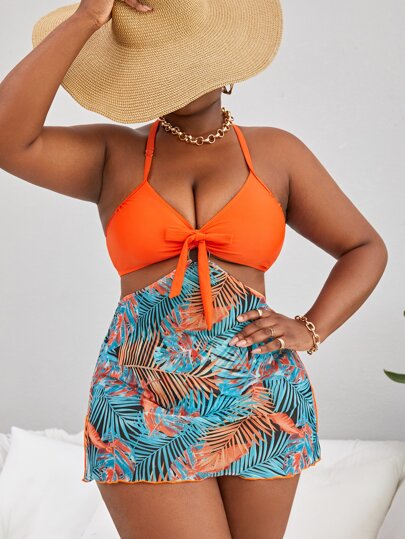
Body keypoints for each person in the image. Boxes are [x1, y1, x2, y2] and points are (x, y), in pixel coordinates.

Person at [0, 0, 388, 538]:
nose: (177, 77)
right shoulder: (113, 154)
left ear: (226, 66)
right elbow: (8, 138)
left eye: (187, 60)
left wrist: (311, 327)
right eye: (160, 64)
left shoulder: (276, 153)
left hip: (261, 392)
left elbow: (364, 246)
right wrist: (88, 17)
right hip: (141, 399)